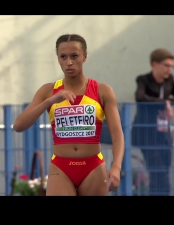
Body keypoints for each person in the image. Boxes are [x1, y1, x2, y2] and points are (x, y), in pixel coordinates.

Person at [13, 34, 125, 196]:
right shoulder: (48, 91)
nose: (69, 62)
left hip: (93, 166)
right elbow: (18, 125)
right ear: (58, 59)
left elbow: (117, 134)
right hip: (61, 167)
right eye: (63, 57)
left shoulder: (102, 90)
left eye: (74, 56)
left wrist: (116, 166)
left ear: (84, 57)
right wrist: (49, 101)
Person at [132, 48, 174, 196]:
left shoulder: (169, 81)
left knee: (164, 169)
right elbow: (140, 98)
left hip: (163, 134)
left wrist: (168, 102)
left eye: (171, 66)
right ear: (155, 64)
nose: (169, 69)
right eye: (166, 65)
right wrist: (163, 104)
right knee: (158, 171)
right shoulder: (144, 80)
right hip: (147, 134)